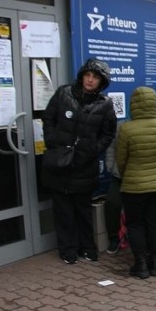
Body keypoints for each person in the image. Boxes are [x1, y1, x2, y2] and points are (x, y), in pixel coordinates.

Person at [42, 58, 116, 265]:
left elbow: (108, 134)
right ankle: (68, 249)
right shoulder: (63, 93)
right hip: (59, 163)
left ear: (102, 82)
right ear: (82, 75)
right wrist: (52, 142)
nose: (90, 80)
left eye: (96, 78)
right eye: (88, 75)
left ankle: (88, 247)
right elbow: (48, 118)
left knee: (83, 210)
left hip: (84, 165)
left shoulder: (105, 104)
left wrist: (92, 151)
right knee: (63, 211)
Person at [116, 87, 156, 279]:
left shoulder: (126, 129)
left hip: (133, 185)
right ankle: (155, 263)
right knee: (155, 222)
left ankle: (140, 264)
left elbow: (121, 160)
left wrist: (128, 175)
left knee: (136, 224)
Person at [104, 121, 125, 254]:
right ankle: (114, 238)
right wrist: (111, 167)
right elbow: (111, 148)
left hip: (141, 177)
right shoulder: (120, 126)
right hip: (119, 176)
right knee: (112, 204)